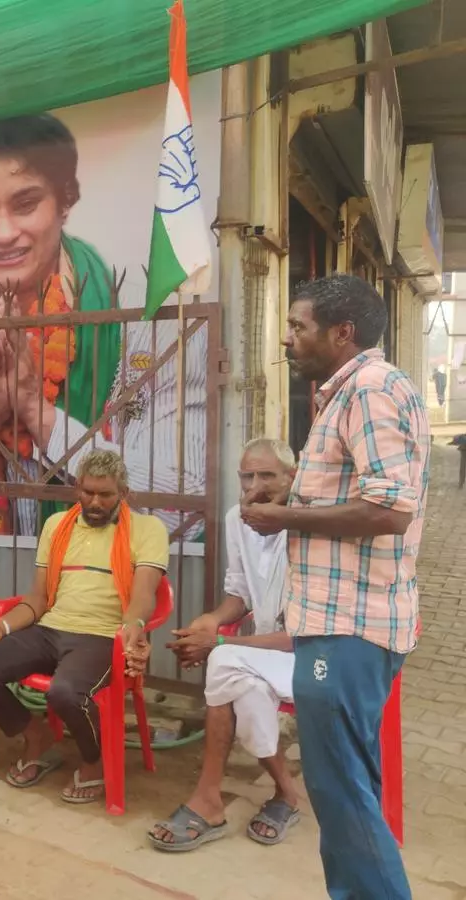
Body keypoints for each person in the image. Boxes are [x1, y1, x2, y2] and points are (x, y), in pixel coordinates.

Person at [0, 113, 205, 536]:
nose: (4, 233)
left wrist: (39, 413)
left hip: (96, 584)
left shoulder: (146, 328)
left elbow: (182, 513)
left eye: (25, 204)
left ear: (65, 201)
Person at [243, 274, 428, 900]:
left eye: (298, 326)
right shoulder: (347, 392)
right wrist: (289, 492)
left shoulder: (369, 391)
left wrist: (283, 516)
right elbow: (356, 492)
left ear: (341, 332)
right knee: (347, 786)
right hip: (336, 621)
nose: (288, 338)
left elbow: (390, 511)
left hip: (349, 626)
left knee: (340, 790)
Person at [0, 449, 166, 803]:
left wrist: (134, 626)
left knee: (65, 693)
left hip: (102, 635)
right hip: (51, 629)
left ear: (124, 494)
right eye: (87, 493)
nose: (95, 502)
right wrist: (2, 627)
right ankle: (36, 735)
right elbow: (38, 599)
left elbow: (145, 594)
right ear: (76, 489)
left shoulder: (148, 529)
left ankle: (95, 760)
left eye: (105, 495)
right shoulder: (57, 526)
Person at [149, 439, 299, 852]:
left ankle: (209, 800)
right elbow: (240, 593)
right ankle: (285, 793)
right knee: (238, 680)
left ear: (291, 477)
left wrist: (215, 642)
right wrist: (211, 621)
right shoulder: (237, 519)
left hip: (315, 656)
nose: (256, 485)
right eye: (247, 476)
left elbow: (302, 633)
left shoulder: (308, 523)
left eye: (267, 475)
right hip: (263, 656)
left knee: (224, 660)